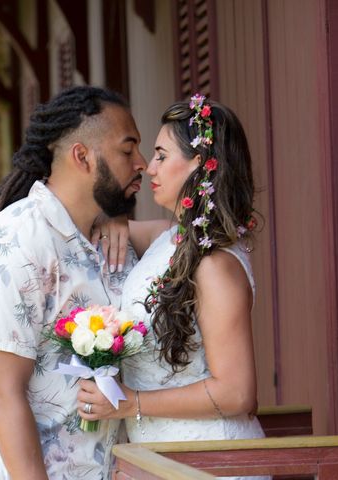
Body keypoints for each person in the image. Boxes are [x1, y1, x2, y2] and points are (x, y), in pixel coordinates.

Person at [0, 85, 147, 480]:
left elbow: (193, 238)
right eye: (128, 151)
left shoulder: (111, 242)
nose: (142, 163)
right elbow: (2, 392)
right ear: (82, 156)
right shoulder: (18, 241)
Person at [77, 95, 269, 480]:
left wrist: (130, 404)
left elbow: (236, 392)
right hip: (160, 459)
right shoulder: (170, 239)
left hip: (212, 462)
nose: (149, 167)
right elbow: (92, 224)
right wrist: (116, 217)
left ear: (199, 164)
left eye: (162, 155)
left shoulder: (216, 265)